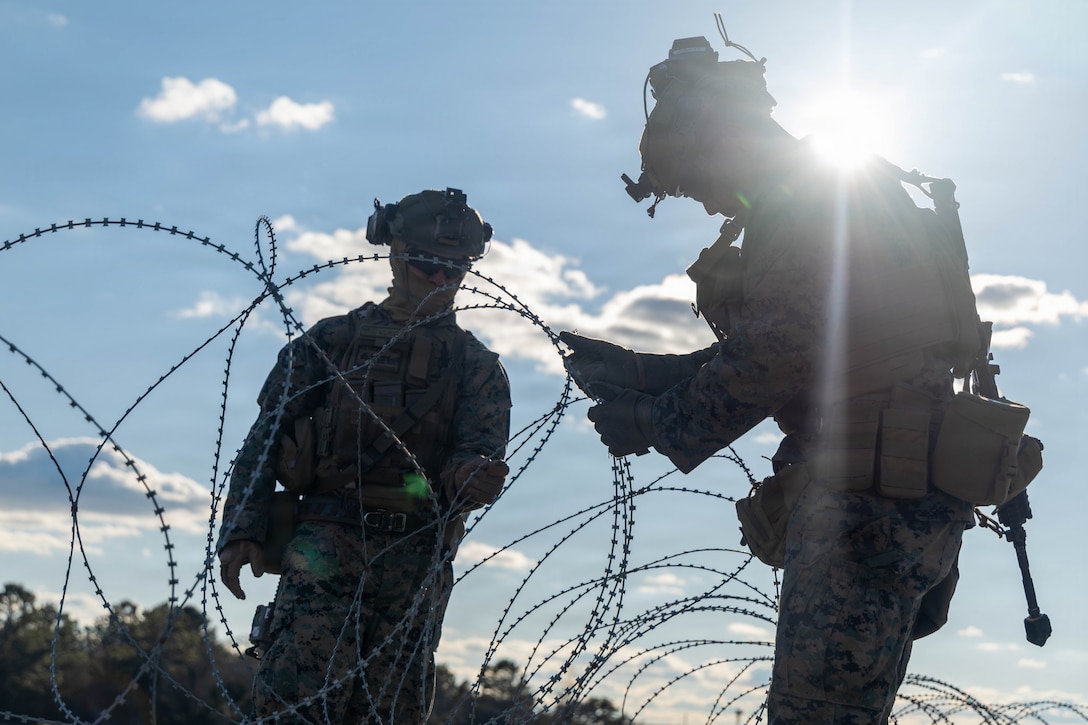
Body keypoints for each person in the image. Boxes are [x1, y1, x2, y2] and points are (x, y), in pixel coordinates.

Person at [561, 35, 985, 723]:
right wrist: (643, 373)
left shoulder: (804, 206)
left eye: (693, 179)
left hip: (870, 504)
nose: (702, 203)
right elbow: (816, 348)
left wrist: (656, 422)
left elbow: (777, 354)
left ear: (718, 141)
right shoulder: (829, 191)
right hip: (887, 489)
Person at [217, 187, 512, 723]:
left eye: (455, 270)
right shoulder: (331, 343)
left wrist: (474, 476)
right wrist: (242, 529)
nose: (442, 282)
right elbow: (265, 438)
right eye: (428, 266)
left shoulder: (477, 368)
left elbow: (478, 450)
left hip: (415, 557)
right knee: (294, 705)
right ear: (396, 255)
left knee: (389, 711)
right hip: (325, 545)